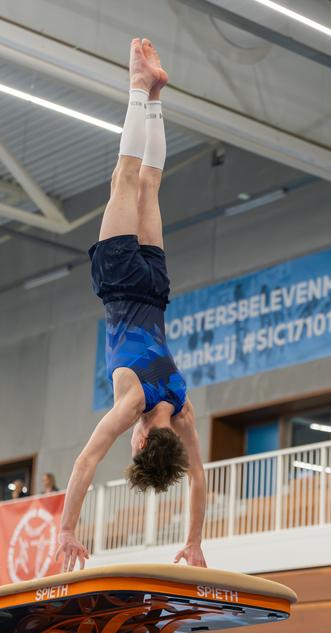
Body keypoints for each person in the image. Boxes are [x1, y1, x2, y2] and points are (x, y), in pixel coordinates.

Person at [56, 38, 207, 572]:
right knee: (125, 177)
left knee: (150, 183)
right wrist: (68, 530)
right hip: (120, 284)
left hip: (157, 287)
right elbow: (85, 461)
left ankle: (157, 97)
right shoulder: (131, 404)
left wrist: (195, 541)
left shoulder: (183, 408)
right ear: (142, 444)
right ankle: (140, 86)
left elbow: (200, 480)